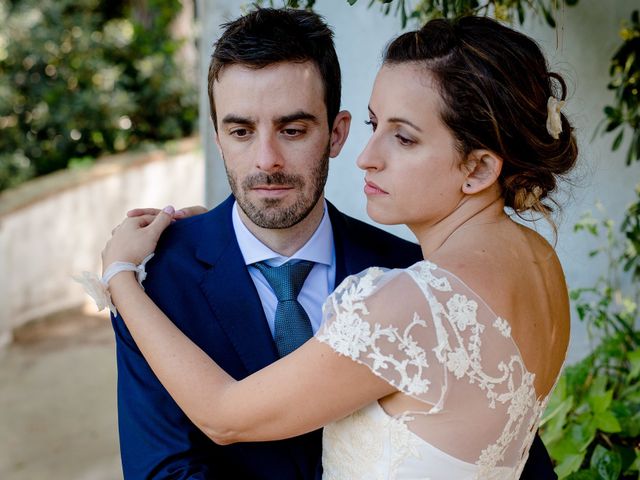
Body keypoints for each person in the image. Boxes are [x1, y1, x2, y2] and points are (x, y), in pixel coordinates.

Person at [95, 9, 567, 480]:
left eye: (293, 129)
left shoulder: (411, 282)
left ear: (334, 132)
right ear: (218, 136)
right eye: (241, 131)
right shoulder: (535, 263)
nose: (266, 161)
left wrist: (118, 276)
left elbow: (224, 415)